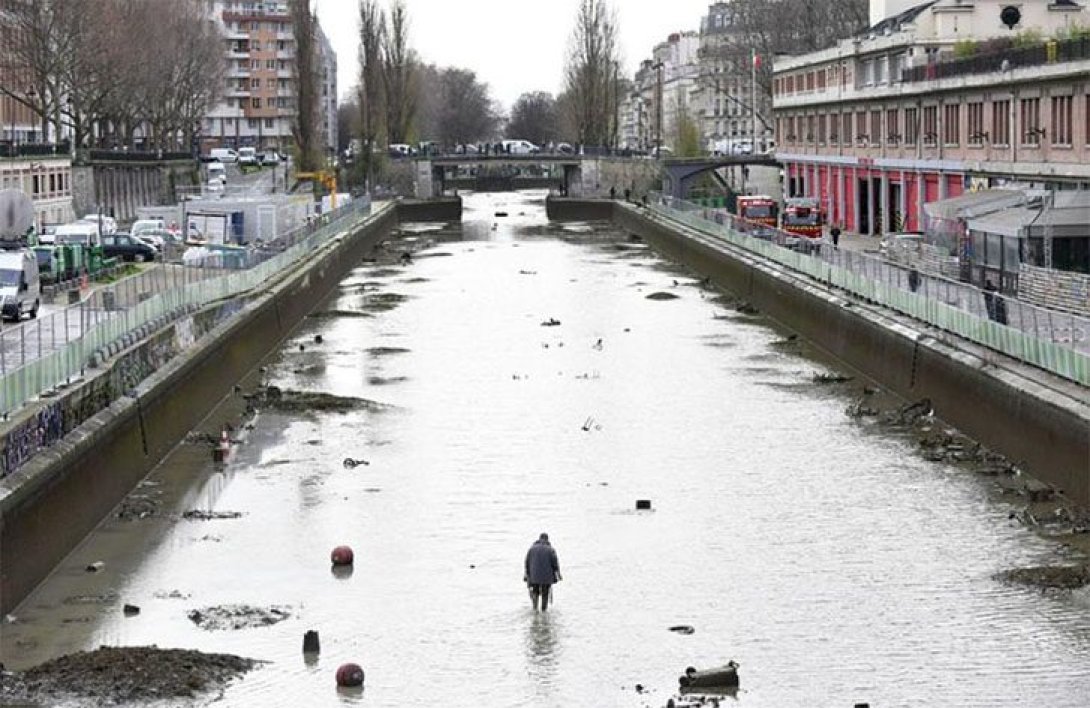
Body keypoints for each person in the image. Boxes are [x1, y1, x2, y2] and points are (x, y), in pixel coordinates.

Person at [524, 533, 561, 611]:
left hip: (533, 576)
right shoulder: (550, 549)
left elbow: (527, 562)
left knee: (535, 592)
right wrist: (558, 574)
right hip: (546, 578)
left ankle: (535, 610)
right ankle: (544, 611)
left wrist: (527, 574)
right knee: (545, 594)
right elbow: (555, 563)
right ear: (547, 539)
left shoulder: (531, 549)